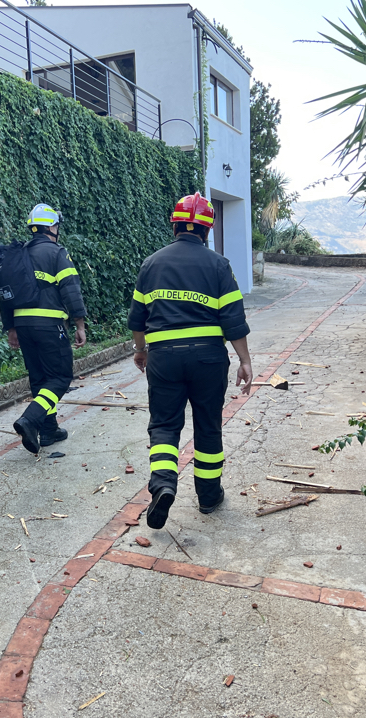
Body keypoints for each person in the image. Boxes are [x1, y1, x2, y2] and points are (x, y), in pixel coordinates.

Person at [128, 192, 253, 529]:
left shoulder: (151, 264)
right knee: (208, 427)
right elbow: (233, 318)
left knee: (165, 425)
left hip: (163, 359)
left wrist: (141, 350)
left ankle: (164, 484)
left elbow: (138, 319)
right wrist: (244, 360)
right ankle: (209, 497)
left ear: (175, 225)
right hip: (208, 359)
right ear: (207, 230)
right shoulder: (217, 265)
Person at [3, 204, 87, 454]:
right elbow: (71, 289)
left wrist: (11, 328)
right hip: (49, 326)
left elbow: (5, 294)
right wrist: (79, 324)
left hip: (23, 326)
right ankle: (30, 419)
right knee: (60, 377)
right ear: (51, 226)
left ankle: (49, 429)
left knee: (40, 378)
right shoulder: (56, 252)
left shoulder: (17, 254)